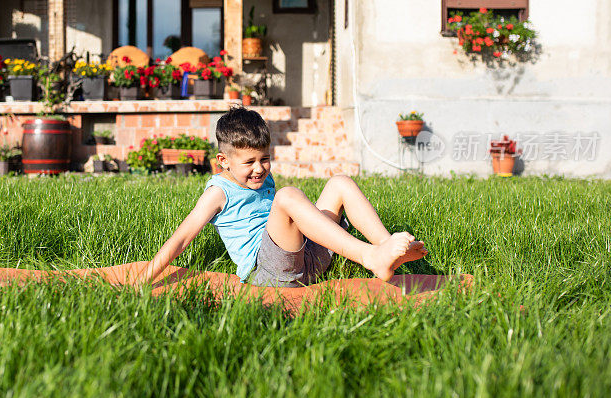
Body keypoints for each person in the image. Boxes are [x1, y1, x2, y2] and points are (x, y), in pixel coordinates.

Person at [134, 107, 427, 287]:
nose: (259, 169)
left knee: (340, 182)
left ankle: (386, 249)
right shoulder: (218, 193)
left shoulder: (261, 178)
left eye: (264, 159)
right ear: (223, 160)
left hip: (306, 261)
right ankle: (369, 257)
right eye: (248, 162)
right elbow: (182, 238)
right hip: (269, 273)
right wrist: (144, 278)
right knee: (287, 196)